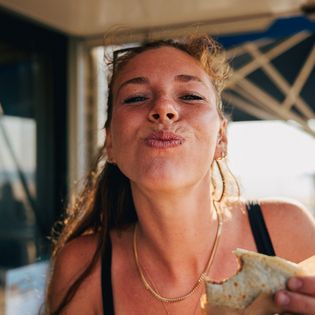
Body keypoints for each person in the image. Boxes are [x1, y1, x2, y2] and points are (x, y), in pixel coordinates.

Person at [46, 35, 315, 315]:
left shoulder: (285, 231)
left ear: (221, 137)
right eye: (136, 98)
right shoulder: (83, 268)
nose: (164, 109)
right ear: (110, 142)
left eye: (190, 96)